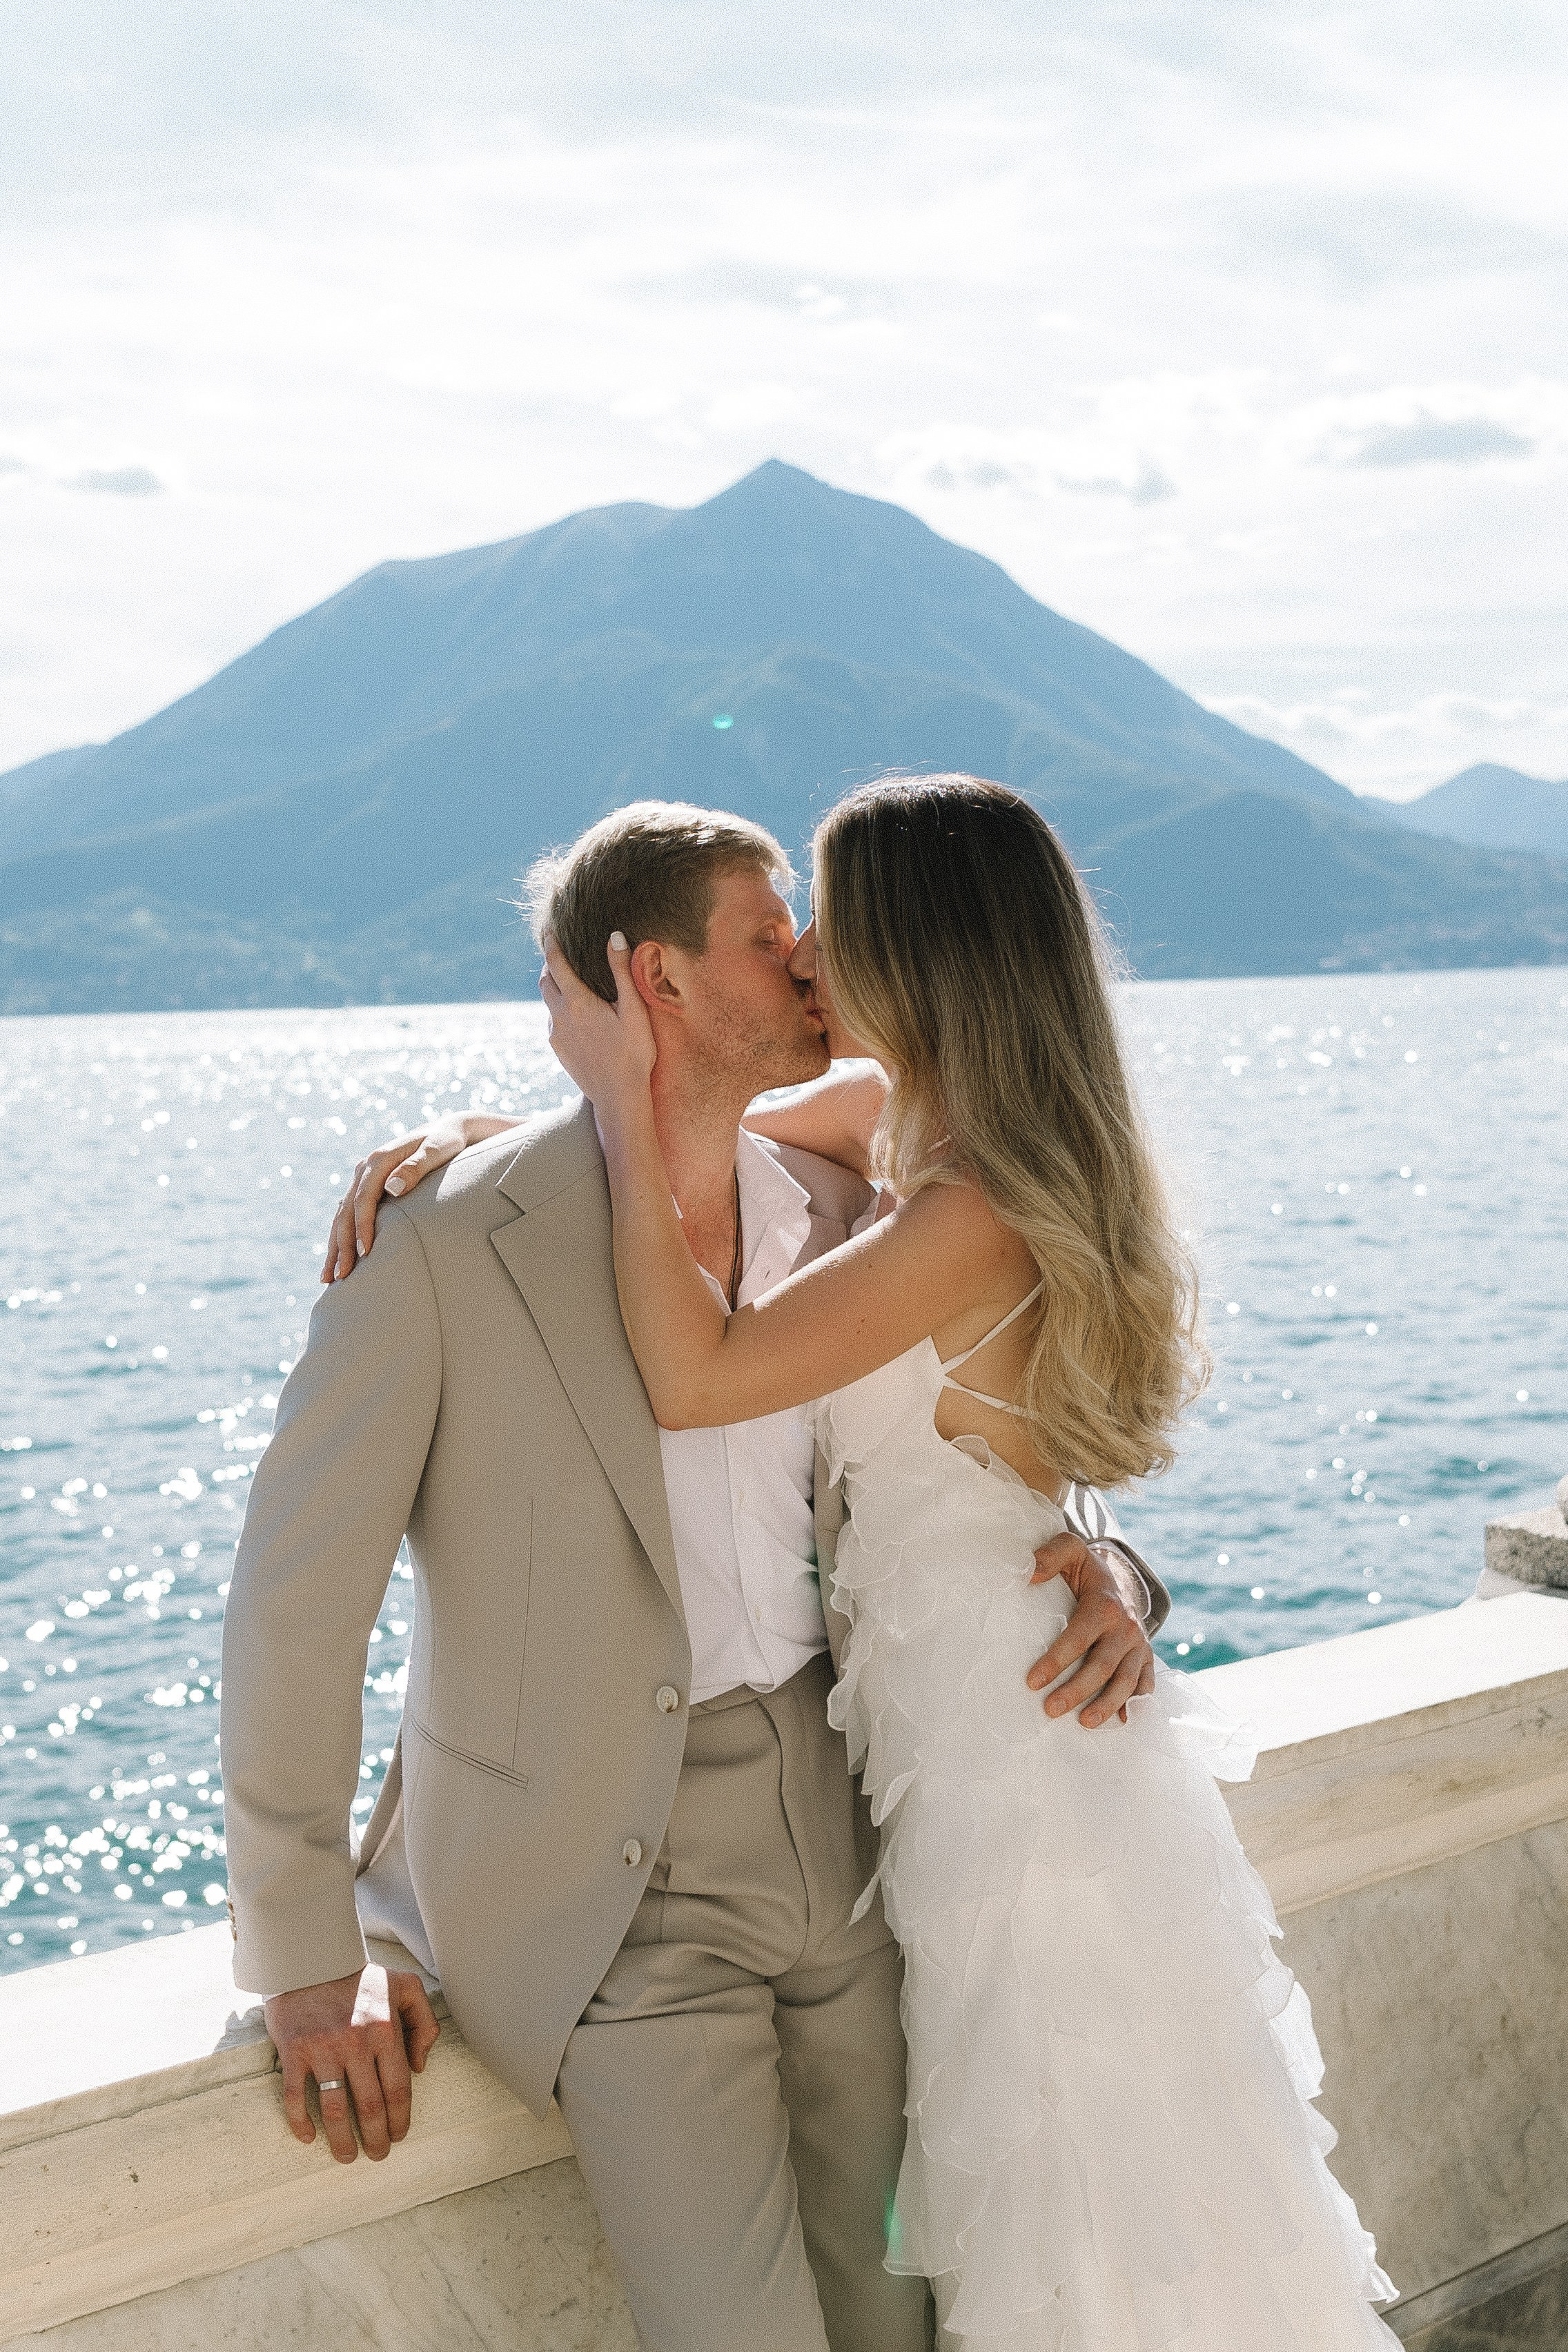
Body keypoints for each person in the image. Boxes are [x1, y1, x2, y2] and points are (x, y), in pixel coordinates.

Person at [221, 798, 1169, 2352]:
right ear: (650, 982)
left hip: (858, 1838)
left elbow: (1002, 1450)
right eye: (764, 932)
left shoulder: (859, 1203)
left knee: (901, 2312)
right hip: (617, 1893)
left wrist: (1109, 1568)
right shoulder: (442, 1244)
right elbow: (294, 1611)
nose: (808, 962)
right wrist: (310, 1953)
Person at [533, 774, 1401, 2349]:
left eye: (828, 930)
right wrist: (498, 1140)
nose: (802, 965)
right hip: (968, 1724)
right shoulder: (911, 1127)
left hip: (1011, 1766)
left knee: (1078, 2174)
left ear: (917, 955)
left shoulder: (970, 1203)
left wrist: (607, 1100)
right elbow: (699, 1131)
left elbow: (698, 1376)